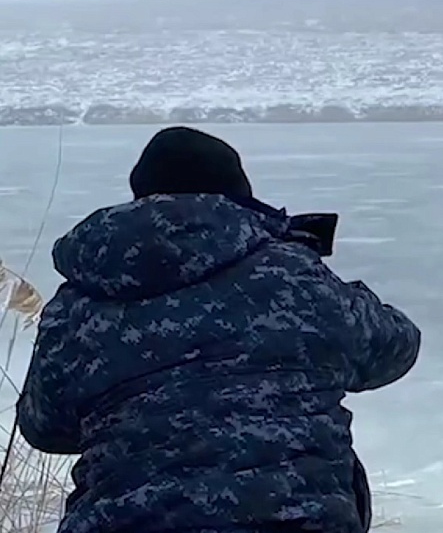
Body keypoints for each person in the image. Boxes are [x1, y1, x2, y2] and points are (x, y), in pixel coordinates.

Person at [16, 126, 421, 533]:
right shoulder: (292, 275)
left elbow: (44, 427)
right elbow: (396, 346)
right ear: (238, 195)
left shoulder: (81, 301)